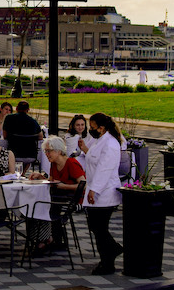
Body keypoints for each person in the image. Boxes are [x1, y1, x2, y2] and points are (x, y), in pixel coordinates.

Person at [83, 112, 123, 275]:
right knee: (95, 226)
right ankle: (110, 253)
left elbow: (104, 169)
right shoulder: (99, 139)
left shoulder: (111, 144)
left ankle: (108, 259)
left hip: (105, 191)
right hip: (95, 187)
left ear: (102, 128)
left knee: (99, 227)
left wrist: (94, 189)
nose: (90, 130)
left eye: (93, 127)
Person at [31, 135, 86, 252]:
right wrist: (40, 177)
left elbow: (83, 185)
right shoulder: (54, 164)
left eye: (49, 151)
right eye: (46, 151)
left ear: (59, 150)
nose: (47, 154)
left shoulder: (71, 163)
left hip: (72, 199)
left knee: (40, 207)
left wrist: (63, 186)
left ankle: (47, 239)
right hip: (58, 197)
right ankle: (45, 238)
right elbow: (52, 181)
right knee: (36, 205)